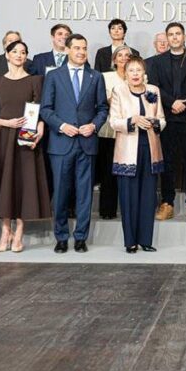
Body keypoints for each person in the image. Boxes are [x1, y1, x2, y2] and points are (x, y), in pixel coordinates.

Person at [0, 40, 50, 253]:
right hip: (2, 138)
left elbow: (41, 111)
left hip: (26, 138)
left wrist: (41, 128)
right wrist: (6, 123)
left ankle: (19, 234)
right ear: (6, 55)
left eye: (23, 52)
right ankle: (5, 231)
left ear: (26, 57)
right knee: (4, 184)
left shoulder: (35, 80)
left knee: (23, 184)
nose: (19, 54)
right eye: (15, 51)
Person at [41, 33, 109, 253]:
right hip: (61, 143)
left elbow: (102, 109)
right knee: (60, 193)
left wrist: (93, 125)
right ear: (68, 50)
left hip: (87, 143)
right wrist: (61, 126)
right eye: (77, 48)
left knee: (85, 194)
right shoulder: (54, 76)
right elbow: (45, 109)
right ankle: (61, 237)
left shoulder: (96, 76)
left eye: (84, 48)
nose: (81, 52)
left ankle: (81, 237)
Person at [111, 56, 166, 253]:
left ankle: (146, 240)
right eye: (131, 70)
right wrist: (132, 120)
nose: (135, 74)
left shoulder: (154, 91)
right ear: (125, 73)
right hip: (127, 151)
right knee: (128, 197)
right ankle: (130, 242)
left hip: (150, 149)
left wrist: (154, 122)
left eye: (139, 70)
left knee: (148, 197)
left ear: (144, 73)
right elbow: (114, 122)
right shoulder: (119, 91)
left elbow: (162, 119)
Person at [148, 22, 186, 221]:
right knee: (167, 162)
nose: (175, 37)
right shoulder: (156, 62)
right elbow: (154, 88)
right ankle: (167, 202)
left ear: (184, 37)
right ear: (167, 38)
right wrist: (172, 103)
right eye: (171, 34)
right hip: (167, 118)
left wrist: (184, 102)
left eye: (178, 34)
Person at [97, 44, 132, 219]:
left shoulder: (140, 76)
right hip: (109, 131)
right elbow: (102, 100)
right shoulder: (104, 77)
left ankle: (128, 210)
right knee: (108, 173)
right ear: (114, 59)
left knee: (128, 172)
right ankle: (107, 210)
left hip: (131, 132)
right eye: (120, 55)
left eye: (128, 55)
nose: (124, 58)